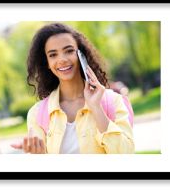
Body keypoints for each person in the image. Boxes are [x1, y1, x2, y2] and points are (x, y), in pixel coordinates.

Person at [11, 22, 134, 154]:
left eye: (69, 51)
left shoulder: (113, 101)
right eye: (53, 55)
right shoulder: (37, 114)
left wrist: (97, 108)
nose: (62, 59)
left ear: (81, 56)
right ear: (47, 63)